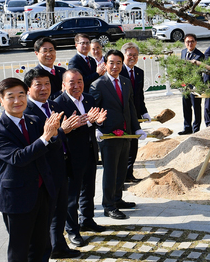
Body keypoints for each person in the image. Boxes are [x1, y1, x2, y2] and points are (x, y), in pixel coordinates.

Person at [0, 77, 63, 262]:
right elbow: (18, 158)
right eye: (11, 96)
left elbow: (47, 149)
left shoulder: (32, 120)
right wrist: (46, 136)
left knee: (40, 240)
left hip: (41, 190)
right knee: (19, 246)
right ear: (1, 101)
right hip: (17, 197)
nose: (18, 100)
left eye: (21, 95)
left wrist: (55, 134)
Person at [23, 69, 82, 262]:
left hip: (61, 164)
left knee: (60, 209)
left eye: (47, 84)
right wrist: (63, 131)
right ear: (29, 88)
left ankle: (59, 246)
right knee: (45, 217)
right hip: (43, 169)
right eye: (38, 84)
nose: (44, 88)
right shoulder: (28, 112)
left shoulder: (55, 105)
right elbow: (42, 143)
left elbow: (65, 133)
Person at [90, 50, 147, 220]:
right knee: (110, 171)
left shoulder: (125, 82)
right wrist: (97, 127)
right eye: (111, 63)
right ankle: (108, 205)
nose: (115, 66)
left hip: (126, 134)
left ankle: (117, 199)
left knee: (122, 169)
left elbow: (130, 107)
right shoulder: (98, 84)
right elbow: (94, 110)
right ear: (105, 64)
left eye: (118, 63)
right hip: (109, 135)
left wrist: (136, 128)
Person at [55, 70, 108, 241]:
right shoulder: (58, 104)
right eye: (72, 82)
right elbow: (61, 132)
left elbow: (92, 124)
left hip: (90, 152)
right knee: (72, 196)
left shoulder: (89, 99)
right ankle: (72, 230)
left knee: (89, 190)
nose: (76, 86)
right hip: (71, 156)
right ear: (64, 85)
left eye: (80, 81)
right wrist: (86, 122)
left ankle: (87, 220)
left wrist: (97, 122)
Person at [120, 42, 151, 184]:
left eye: (135, 55)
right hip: (122, 117)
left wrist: (144, 112)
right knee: (123, 147)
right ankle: (121, 177)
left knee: (133, 146)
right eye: (129, 55)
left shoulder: (139, 72)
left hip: (135, 116)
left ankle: (129, 174)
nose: (132, 57)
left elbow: (140, 95)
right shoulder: (118, 72)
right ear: (123, 56)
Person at [179, 34, 204, 135]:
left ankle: (196, 129)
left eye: (192, 41)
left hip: (195, 85)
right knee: (186, 107)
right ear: (185, 42)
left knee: (196, 108)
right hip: (185, 85)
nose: (190, 43)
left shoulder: (199, 55)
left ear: (196, 42)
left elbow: (200, 71)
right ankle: (187, 127)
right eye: (188, 41)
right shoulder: (183, 52)